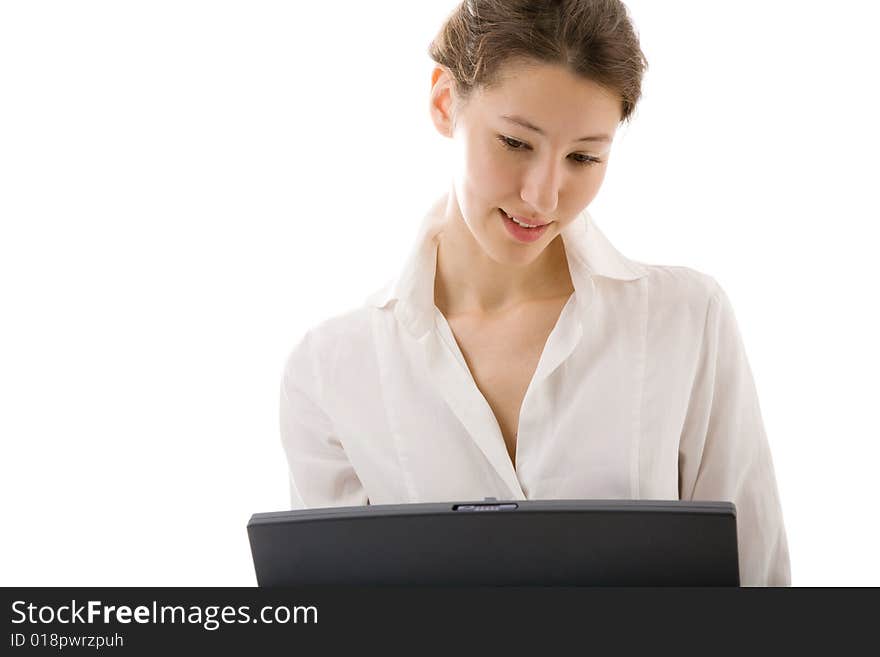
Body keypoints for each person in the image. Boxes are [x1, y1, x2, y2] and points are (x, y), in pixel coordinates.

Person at [278, 0, 791, 586]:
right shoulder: (330, 369)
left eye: (583, 157)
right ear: (446, 102)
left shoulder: (685, 321)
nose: (543, 197)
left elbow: (758, 584)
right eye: (516, 143)